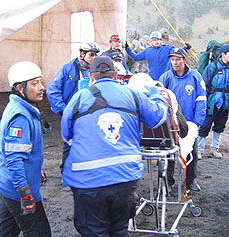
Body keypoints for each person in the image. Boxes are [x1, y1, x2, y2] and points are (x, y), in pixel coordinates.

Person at [61, 56, 168, 236]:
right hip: (124, 179)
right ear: (116, 75)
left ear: (91, 76)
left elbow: (67, 135)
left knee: (94, 231)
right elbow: (158, 117)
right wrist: (156, 95)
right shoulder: (133, 95)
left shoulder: (78, 98)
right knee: (119, 229)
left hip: (87, 182)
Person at [0, 61, 51, 236]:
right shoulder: (20, 116)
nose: (41, 88)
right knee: (40, 233)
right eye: (34, 83)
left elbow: (23, 151)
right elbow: (14, 158)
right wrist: (25, 194)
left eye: (40, 82)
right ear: (20, 88)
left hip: (4, 182)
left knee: (6, 231)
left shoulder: (22, 107)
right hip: (15, 188)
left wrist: (36, 168)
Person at [159, 47, 206, 191]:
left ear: (184, 60)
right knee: (169, 154)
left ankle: (191, 180)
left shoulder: (195, 77)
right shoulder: (165, 78)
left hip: (190, 123)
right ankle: (168, 182)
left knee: (192, 153)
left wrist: (197, 122)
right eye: (172, 59)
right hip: (170, 124)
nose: (175, 62)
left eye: (178, 59)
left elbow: (201, 100)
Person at [197, 44, 229, 159]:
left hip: (226, 102)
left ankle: (214, 148)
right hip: (212, 101)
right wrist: (203, 102)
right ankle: (199, 150)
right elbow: (204, 85)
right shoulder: (212, 67)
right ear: (223, 54)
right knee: (205, 126)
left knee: (220, 126)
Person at [46, 41, 100, 115]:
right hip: (70, 111)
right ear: (82, 54)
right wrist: (63, 110)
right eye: (91, 54)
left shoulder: (95, 70)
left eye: (96, 55)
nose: (94, 58)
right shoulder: (68, 68)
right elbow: (52, 90)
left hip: (88, 112)